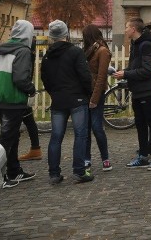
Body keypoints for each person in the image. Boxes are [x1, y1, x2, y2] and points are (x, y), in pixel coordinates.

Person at [41, 20, 94, 184]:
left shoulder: (47, 56)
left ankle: (54, 173)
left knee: (56, 137)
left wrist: (54, 93)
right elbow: (85, 76)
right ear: (66, 34)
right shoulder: (75, 52)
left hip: (58, 99)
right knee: (80, 135)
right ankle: (79, 171)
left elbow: (45, 79)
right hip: (77, 98)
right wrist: (88, 93)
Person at [114, 18, 151, 170]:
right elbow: (136, 67)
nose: (125, 30)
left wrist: (126, 74)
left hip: (148, 91)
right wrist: (124, 73)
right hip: (138, 91)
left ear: (134, 29)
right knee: (141, 124)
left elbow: (149, 70)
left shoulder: (146, 45)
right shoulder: (136, 45)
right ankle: (143, 156)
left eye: (126, 27)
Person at [0, 19, 37, 187]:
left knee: (12, 136)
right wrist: (31, 89)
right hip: (13, 100)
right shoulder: (22, 51)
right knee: (7, 138)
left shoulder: (1, 49)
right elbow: (20, 78)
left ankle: (14, 171)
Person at [83, 25, 113, 172]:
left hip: (96, 93)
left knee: (96, 127)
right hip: (85, 92)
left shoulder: (102, 51)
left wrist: (94, 99)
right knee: (86, 127)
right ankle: (86, 158)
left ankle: (105, 158)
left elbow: (101, 77)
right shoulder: (89, 51)